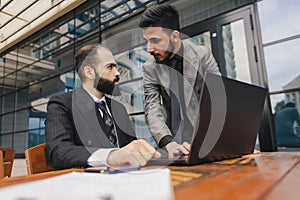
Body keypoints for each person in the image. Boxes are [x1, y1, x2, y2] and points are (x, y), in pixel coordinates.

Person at [45, 44, 160, 169]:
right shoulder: (62, 104)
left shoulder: (118, 108)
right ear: (89, 72)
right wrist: (111, 157)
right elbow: (59, 152)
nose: (117, 73)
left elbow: (131, 146)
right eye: (110, 67)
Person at [138, 4, 221, 155]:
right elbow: (152, 108)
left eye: (155, 40)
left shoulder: (202, 55)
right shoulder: (149, 68)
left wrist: (236, 143)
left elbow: (219, 98)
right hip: (172, 143)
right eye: (147, 41)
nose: (149, 49)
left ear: (174, 36)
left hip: (206, 138)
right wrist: (168, 143)